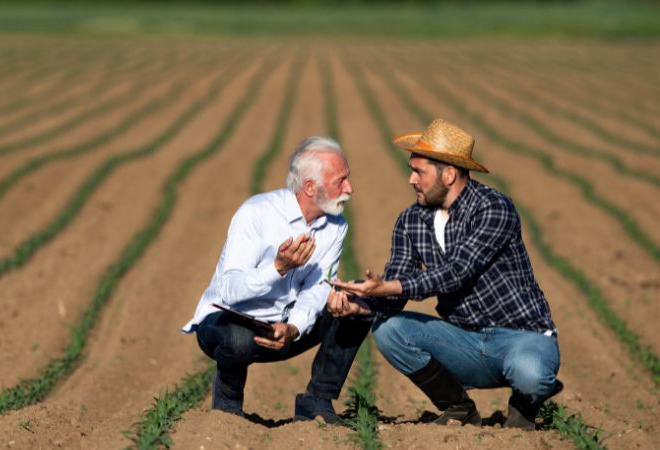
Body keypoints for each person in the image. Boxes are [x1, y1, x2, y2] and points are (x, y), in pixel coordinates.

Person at [328, 119, 562, 430]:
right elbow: (397, 288)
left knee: (531, 375)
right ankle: (459, 407)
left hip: (522, 336)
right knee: (389, 329)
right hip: (466, 341)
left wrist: (388, 287)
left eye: (419, 171)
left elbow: (457, 272)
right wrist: (360, 304)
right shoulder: (411, 220)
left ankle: (528, 397)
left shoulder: (493, 207)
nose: (411, 179)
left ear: (449, 174)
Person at [183, 136, 372, 423]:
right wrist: (278, 268)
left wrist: (294, 327)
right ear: (310, 187)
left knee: (359, 301)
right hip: (227, 323)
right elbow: (228, 290)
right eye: (340, 180)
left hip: (284, 328)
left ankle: (318, 400)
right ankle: (228, 404)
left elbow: (317, 288)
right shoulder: (257, 213)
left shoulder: (336, 226)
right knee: (239, 339)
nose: (350, 189)